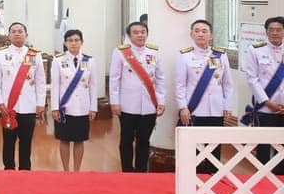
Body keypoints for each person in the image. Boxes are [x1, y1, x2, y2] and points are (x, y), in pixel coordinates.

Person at [174, 19, 233, 174]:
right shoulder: (184, 56)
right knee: (195, 147)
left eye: (204, 31)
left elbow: (227, 84)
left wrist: (227, 106)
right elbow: (180, 85)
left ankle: (213, 176)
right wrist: (183, 107)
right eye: (197, 31)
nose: (200, 34)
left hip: (216, 108)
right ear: (191, 34)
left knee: (215, 145)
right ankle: (195, 178)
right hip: (195, 109)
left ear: (211, 35)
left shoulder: (221, 55)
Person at [109, 21, 165, 172]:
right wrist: (115, 102)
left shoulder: (154, 52)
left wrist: (161, 101)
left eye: (143, 31)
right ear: (129, 35)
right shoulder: (120, 52)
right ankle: (127, 170)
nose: (140, 35)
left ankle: (141, 171)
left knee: (144, 140)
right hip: (127, 105)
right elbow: (114, 79)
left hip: (148, 105)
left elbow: (160, 79)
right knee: (126, 140)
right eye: (136, 32)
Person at [0, 22, 46, 170]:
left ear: (26, 35)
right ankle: (8, 170)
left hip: (29, 105)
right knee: (8, 142)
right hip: (9, 106)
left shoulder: (35, 54)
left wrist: (41, 103)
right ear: (8, 35)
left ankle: (25, 171)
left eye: (20, 31)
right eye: (13, 31)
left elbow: (41, 81)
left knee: (26, 142)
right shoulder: (0, 54)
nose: (17, 34)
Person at [50, 29, 98, 171]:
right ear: (65, 43)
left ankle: (76, 170)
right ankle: (66, 170)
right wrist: (54, 107)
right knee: (64, 139)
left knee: (79, 139)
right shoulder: (58, 60)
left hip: (82, 107)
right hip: (64, 107)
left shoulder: (89, 61)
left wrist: (93, 107)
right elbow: (55, 85)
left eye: (77, 40)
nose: (73, 43)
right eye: (70, 40)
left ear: (82, 42)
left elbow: (93, 86)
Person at [242, 16, 284, 174]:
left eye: (278, 29)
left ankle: (280, 178)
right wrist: (267, 102)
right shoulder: (256, 50)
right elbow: (252, 79)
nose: (275, 33)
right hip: (265, 108)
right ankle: (263, 178)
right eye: (271, 30)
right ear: (266, 32)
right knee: (264, 145)